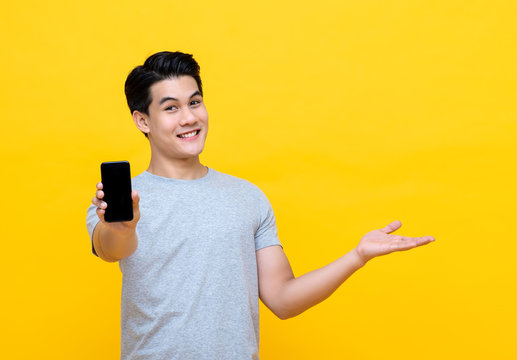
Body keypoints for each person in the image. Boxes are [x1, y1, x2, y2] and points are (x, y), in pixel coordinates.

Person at [86, 51, 436, 360]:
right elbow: (112, 248)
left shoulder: (247, 197)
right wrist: (120, 225)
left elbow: (284, 300)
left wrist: (357, 256)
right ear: (142, 120)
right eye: (171, 108)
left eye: (195, 102)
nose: (189, 118)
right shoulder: (119, 202)